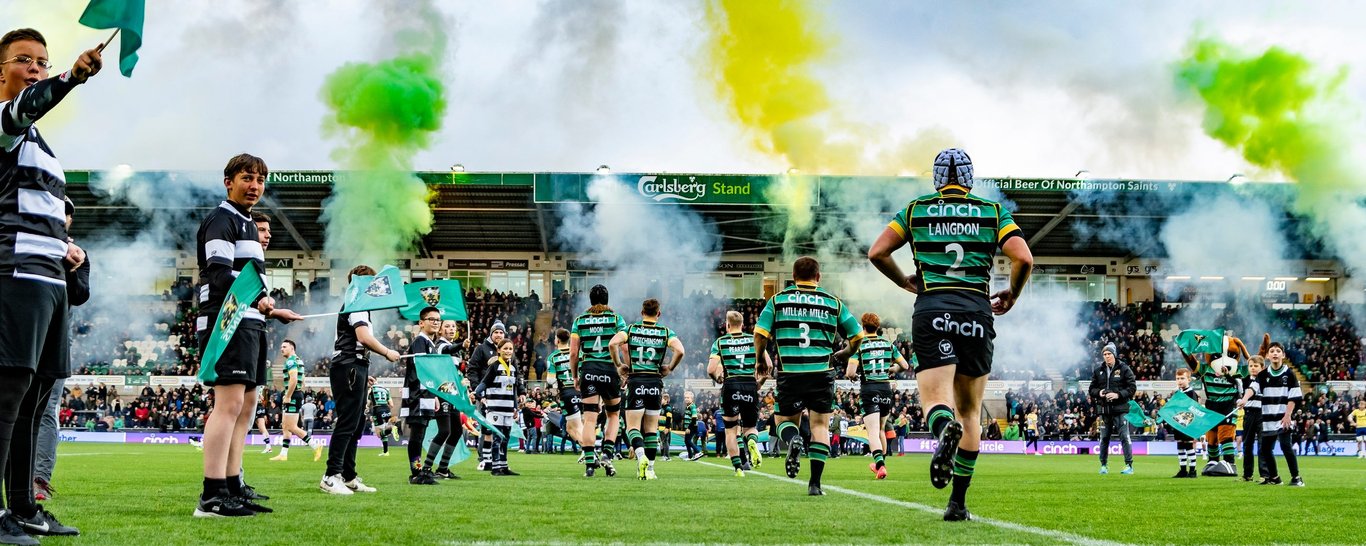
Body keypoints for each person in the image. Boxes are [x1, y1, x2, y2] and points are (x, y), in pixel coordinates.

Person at [867, 148, 1033, 521]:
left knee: (936, 400)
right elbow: (1024, 258)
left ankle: (944, 429)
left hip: (932, 308)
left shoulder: (915, 210)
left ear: (937, 179)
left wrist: (905, 281)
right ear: (970, 178)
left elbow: (877, 252)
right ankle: (957, 503)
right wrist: (1013, 292)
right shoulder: (992, 212)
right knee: (971, 411)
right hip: (976, 310)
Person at [0, 27, 101, 539]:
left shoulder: (41, 143)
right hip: (14, 274)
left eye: (43, 61)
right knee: (8, 393)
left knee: (37, 396)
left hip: (50, 281)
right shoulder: (5, 122)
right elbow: (26, 107)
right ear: (1, 71)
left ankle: (22, 508)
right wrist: (72, 76)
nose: (35, 68)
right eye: (24, 60)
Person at [194, 154, 303, 517]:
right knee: (227, 405)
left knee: (247, 407)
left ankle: (232, 484)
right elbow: (221, 274)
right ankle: (212, 495)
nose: (254, 185)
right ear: (228, 181)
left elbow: (245, 279)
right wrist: (265, 300)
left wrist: (264, 307)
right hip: (227, 322)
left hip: (250, 321)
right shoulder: (221, 220)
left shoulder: (246, 225)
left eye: (259, 180)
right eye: (246, 178)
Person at [754, 257, 865, 496]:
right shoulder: (832, 302)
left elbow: (760, 332)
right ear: (819, 276)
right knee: (820, 426)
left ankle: (794, 440)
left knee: (782, 422)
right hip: (822, 373)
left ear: (793, 277)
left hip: (790, 373)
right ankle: (815, 484)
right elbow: (857, 336)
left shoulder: (777, 300)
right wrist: (843, 354)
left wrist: (760, 357)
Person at [318, 265, 401, 495]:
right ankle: (330, 475)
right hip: (349, 364)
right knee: (347, 422)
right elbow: (363, 337)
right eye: (369, 281)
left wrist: (364, 370)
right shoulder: (357, 304)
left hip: (355, 365)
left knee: (355, 424)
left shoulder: (359, 306)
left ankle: (348, 475)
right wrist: (387, 352)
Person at [34, 198, 90, 504]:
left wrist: (71, 269)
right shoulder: (30, 247)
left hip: (54, 342)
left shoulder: (78, 255)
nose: (61, 219)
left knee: (46, 412)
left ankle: (38, 481)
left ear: (69, 221)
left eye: (65, 215)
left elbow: (80, 296)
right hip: (20, 337)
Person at [610, 299, 685, 480]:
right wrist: (669, 368)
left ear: (642, 312)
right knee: (651, 428)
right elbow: (680, 350)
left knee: (632, 427)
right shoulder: (666, 332)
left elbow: (613, 343)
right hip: (655, 382)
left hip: (636, 381)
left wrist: (619, 364)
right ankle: (650, 469)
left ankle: (641, 456)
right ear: (658, 314)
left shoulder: (631, 329)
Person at [837, 313, 909, 480]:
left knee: (872, 432)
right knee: (881, 430)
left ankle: (880, 465)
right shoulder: (888, 344)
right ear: (878, 327)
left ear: (863, 326)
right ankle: (880, 463)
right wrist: (892, 370)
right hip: (885, 389)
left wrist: (853, 377)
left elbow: (850, 372)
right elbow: (904, 365)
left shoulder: (860, 345)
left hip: (869, 388)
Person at [568, 285, 627, 477]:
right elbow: (624, 348)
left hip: (589, 370)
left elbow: (574, 353)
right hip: (610, 370)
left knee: (590, 419)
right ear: (607, 299)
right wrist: (625, 370)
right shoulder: (617, 319)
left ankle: (589, 465)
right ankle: (607, 456)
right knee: (613, 415)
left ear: (590, 300)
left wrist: (575, 376)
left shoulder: (579, 321)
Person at [708, 310, 770, 477]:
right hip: (749, 384)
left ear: (727, 325)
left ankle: (738, 468)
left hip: (730, 385)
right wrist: (759, 383)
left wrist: (717, 378)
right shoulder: (753, 340)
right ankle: (751, 441)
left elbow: (711, 369)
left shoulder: (720, 342)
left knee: (730, 430)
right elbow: (769, 366)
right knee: (750, 427)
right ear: (742, 325)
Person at [1249, 341, 1303, 486]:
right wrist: (1243, 399)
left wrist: (1287, 415)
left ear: (1283, 355)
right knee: (1265, 449)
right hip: (1267, 418)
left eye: (1278, 351)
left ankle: (1296, 478)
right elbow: (1252, 388)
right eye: (1272, 351)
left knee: (1286, 446)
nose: (1275, 353)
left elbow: (1294, 396)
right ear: (1267, 356)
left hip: (1283, 418)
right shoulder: (1262, 375)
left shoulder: (1290, 374)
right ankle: (1275, 478)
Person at [400, 306, 442, 485]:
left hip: (425, 396)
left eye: (437, 320)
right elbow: (421, 372)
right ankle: (416, 472)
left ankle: (420, 470)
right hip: (417, 396)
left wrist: (435, 396)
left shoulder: (430, 343)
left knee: (420, 434)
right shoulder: (420, 341)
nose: (435, 322)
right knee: (417, 435)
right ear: (421, 322)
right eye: (431, 319)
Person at [423, 320, 467, 479]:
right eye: (447, 326)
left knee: (456, 431)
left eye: (453, 326)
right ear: (440, 330)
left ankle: (442, 468)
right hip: (442, 393)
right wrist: (462, 344)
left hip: (453, 395)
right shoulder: (440, 345)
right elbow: (449, 348)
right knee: (445, 430)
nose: (451, 329)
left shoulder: (456, 351)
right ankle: (427, 468)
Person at [476, 340, 525, 476]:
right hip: (495, 407)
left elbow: (514, 388)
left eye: (510, 348)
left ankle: (504, 466)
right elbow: (484, 382)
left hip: (508, 408)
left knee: (506, 438)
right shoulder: (495, 366)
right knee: (497, 437)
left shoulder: (513, 367)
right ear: (499, 350)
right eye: (505, 348)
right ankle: (495, 467)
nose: (508, 351)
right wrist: (476, 393)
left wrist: (516, 406)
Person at [268, 340, 321, 462]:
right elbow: (302, 380)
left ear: (292, 348)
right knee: (285, 426)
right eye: (281, 347)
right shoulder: (299, 360)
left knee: (291, 426)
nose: (282, 349)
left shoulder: (291, 360)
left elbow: (294, 379)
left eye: (284, 347)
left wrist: (288, 396)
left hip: (292, 395)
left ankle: (315, 445)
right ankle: (283, 454)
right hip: (296, 394)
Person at [1089, 343, 1135, 475]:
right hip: (1104, 410)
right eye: (1104, 354)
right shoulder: (1098, 371)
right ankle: (1103, 465)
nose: (1107, 356)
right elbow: (1091, 389)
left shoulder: (1125, 369)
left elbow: (1132, 388)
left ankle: (1129, 465)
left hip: (1120, 409)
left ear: (1114, 354)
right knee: (1104, 438)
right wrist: (1100, 393)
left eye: (1109, 354)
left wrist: (1118, 395)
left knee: (1124, 437)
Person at [467, 321, 504, 471]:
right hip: (485, 395)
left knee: (500, 426)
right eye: (496, 332)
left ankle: (497, 458)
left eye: (501, 332)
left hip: (502, 395)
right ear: (491, 333)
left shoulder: (506, 350)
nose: (499, 335)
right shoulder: (481, 349)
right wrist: (478, 391)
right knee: (486, 427)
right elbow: (472, 370)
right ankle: (483, 458)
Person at [545, 329, 581, 456]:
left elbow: (550, 380)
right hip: (582, 391)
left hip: (567, 392)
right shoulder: (578, 353)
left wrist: (553, 384)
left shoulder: (553, 357)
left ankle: (589, 452)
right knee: (585, 424)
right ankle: (589, 452)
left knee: (571, 428)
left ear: (557, 340)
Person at [1235, 355, 1267, 481]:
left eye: (1256, 366)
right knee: (1247, 444)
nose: (1253, 368)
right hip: (1248, 414)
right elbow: (1239, 395)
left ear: (1262, 367)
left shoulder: (1265, 380)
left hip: (1262, 414)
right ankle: (1247, 474)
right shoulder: (1243, 381)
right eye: (1251, 366)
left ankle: (1264, 474)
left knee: (1262, 444)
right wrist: (1239, 401)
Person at [1173, 368, 1200, 479]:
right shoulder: (1177, 393)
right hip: (1177, 423)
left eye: (1182, 378)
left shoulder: (1191, 393)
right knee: (1180, 446)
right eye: (1178, 379)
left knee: (1189, 446)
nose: (1180, 381)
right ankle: (1183, 470)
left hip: (1187, 424)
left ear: (1189, 379)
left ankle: (1193, 470)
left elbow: (1192, 409)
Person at [366, 377, 397, 456]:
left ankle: (391, 429)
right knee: (384, 433)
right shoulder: (385, 389)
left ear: (370, 382)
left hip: (377, 410)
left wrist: (367, 408)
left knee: (379, 434)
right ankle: (386, 452)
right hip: (387, 410)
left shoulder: (371, 389)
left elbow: (367, 404)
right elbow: (392, 405)